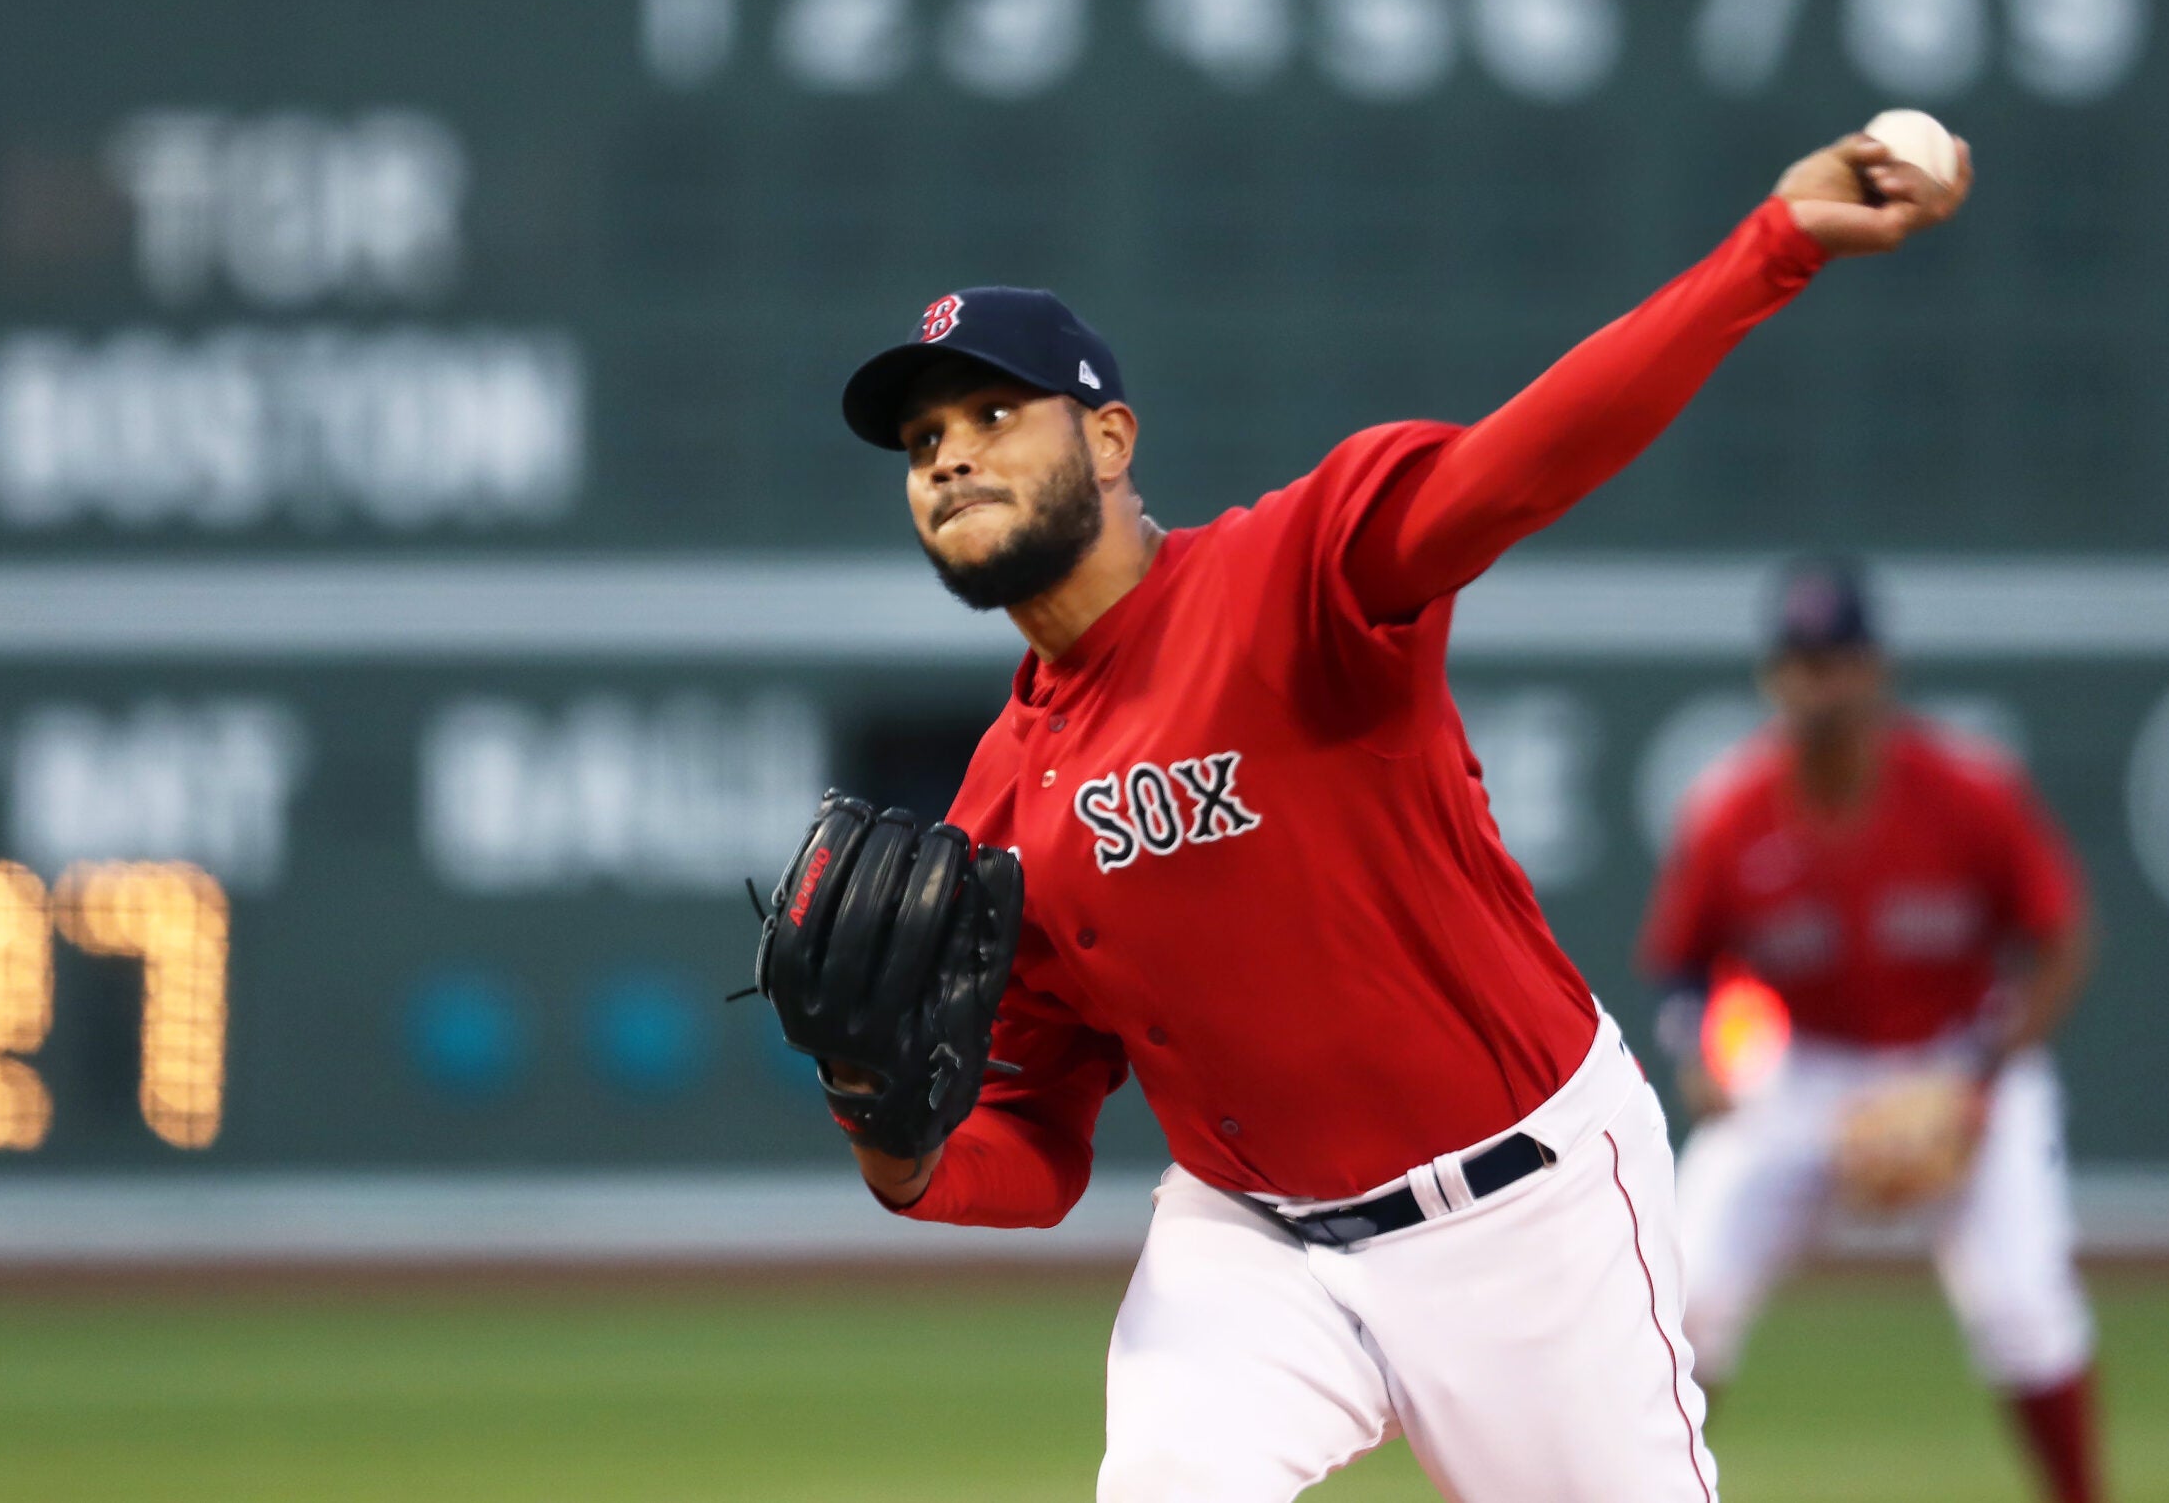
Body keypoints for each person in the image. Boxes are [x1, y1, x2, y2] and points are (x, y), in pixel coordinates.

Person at [829, 133, 1967, 1502]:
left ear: (1114, 437)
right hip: (1251, 1239)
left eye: (994, 413)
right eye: (923, 441)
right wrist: (895, 1144)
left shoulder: (1293, 576)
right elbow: (1035, 1136)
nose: (949, 457)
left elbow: (1526, 459)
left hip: (1525, 1207)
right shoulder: (1000, 794)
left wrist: (1769, 248)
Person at [1634, 558, 2104, 1503]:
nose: (1824, 683)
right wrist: (1704, 1058)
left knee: (2025, 1308)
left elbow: (2059, 939)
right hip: (1802, 1072)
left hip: (1961, 1056)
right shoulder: (1733, 810)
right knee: (1681, 1305)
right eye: (1805, 661)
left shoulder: (1966, 791)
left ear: (1881, 670)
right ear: (1776, 679)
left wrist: (1981, 1082)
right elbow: (1687, 971)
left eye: (1842, 659)